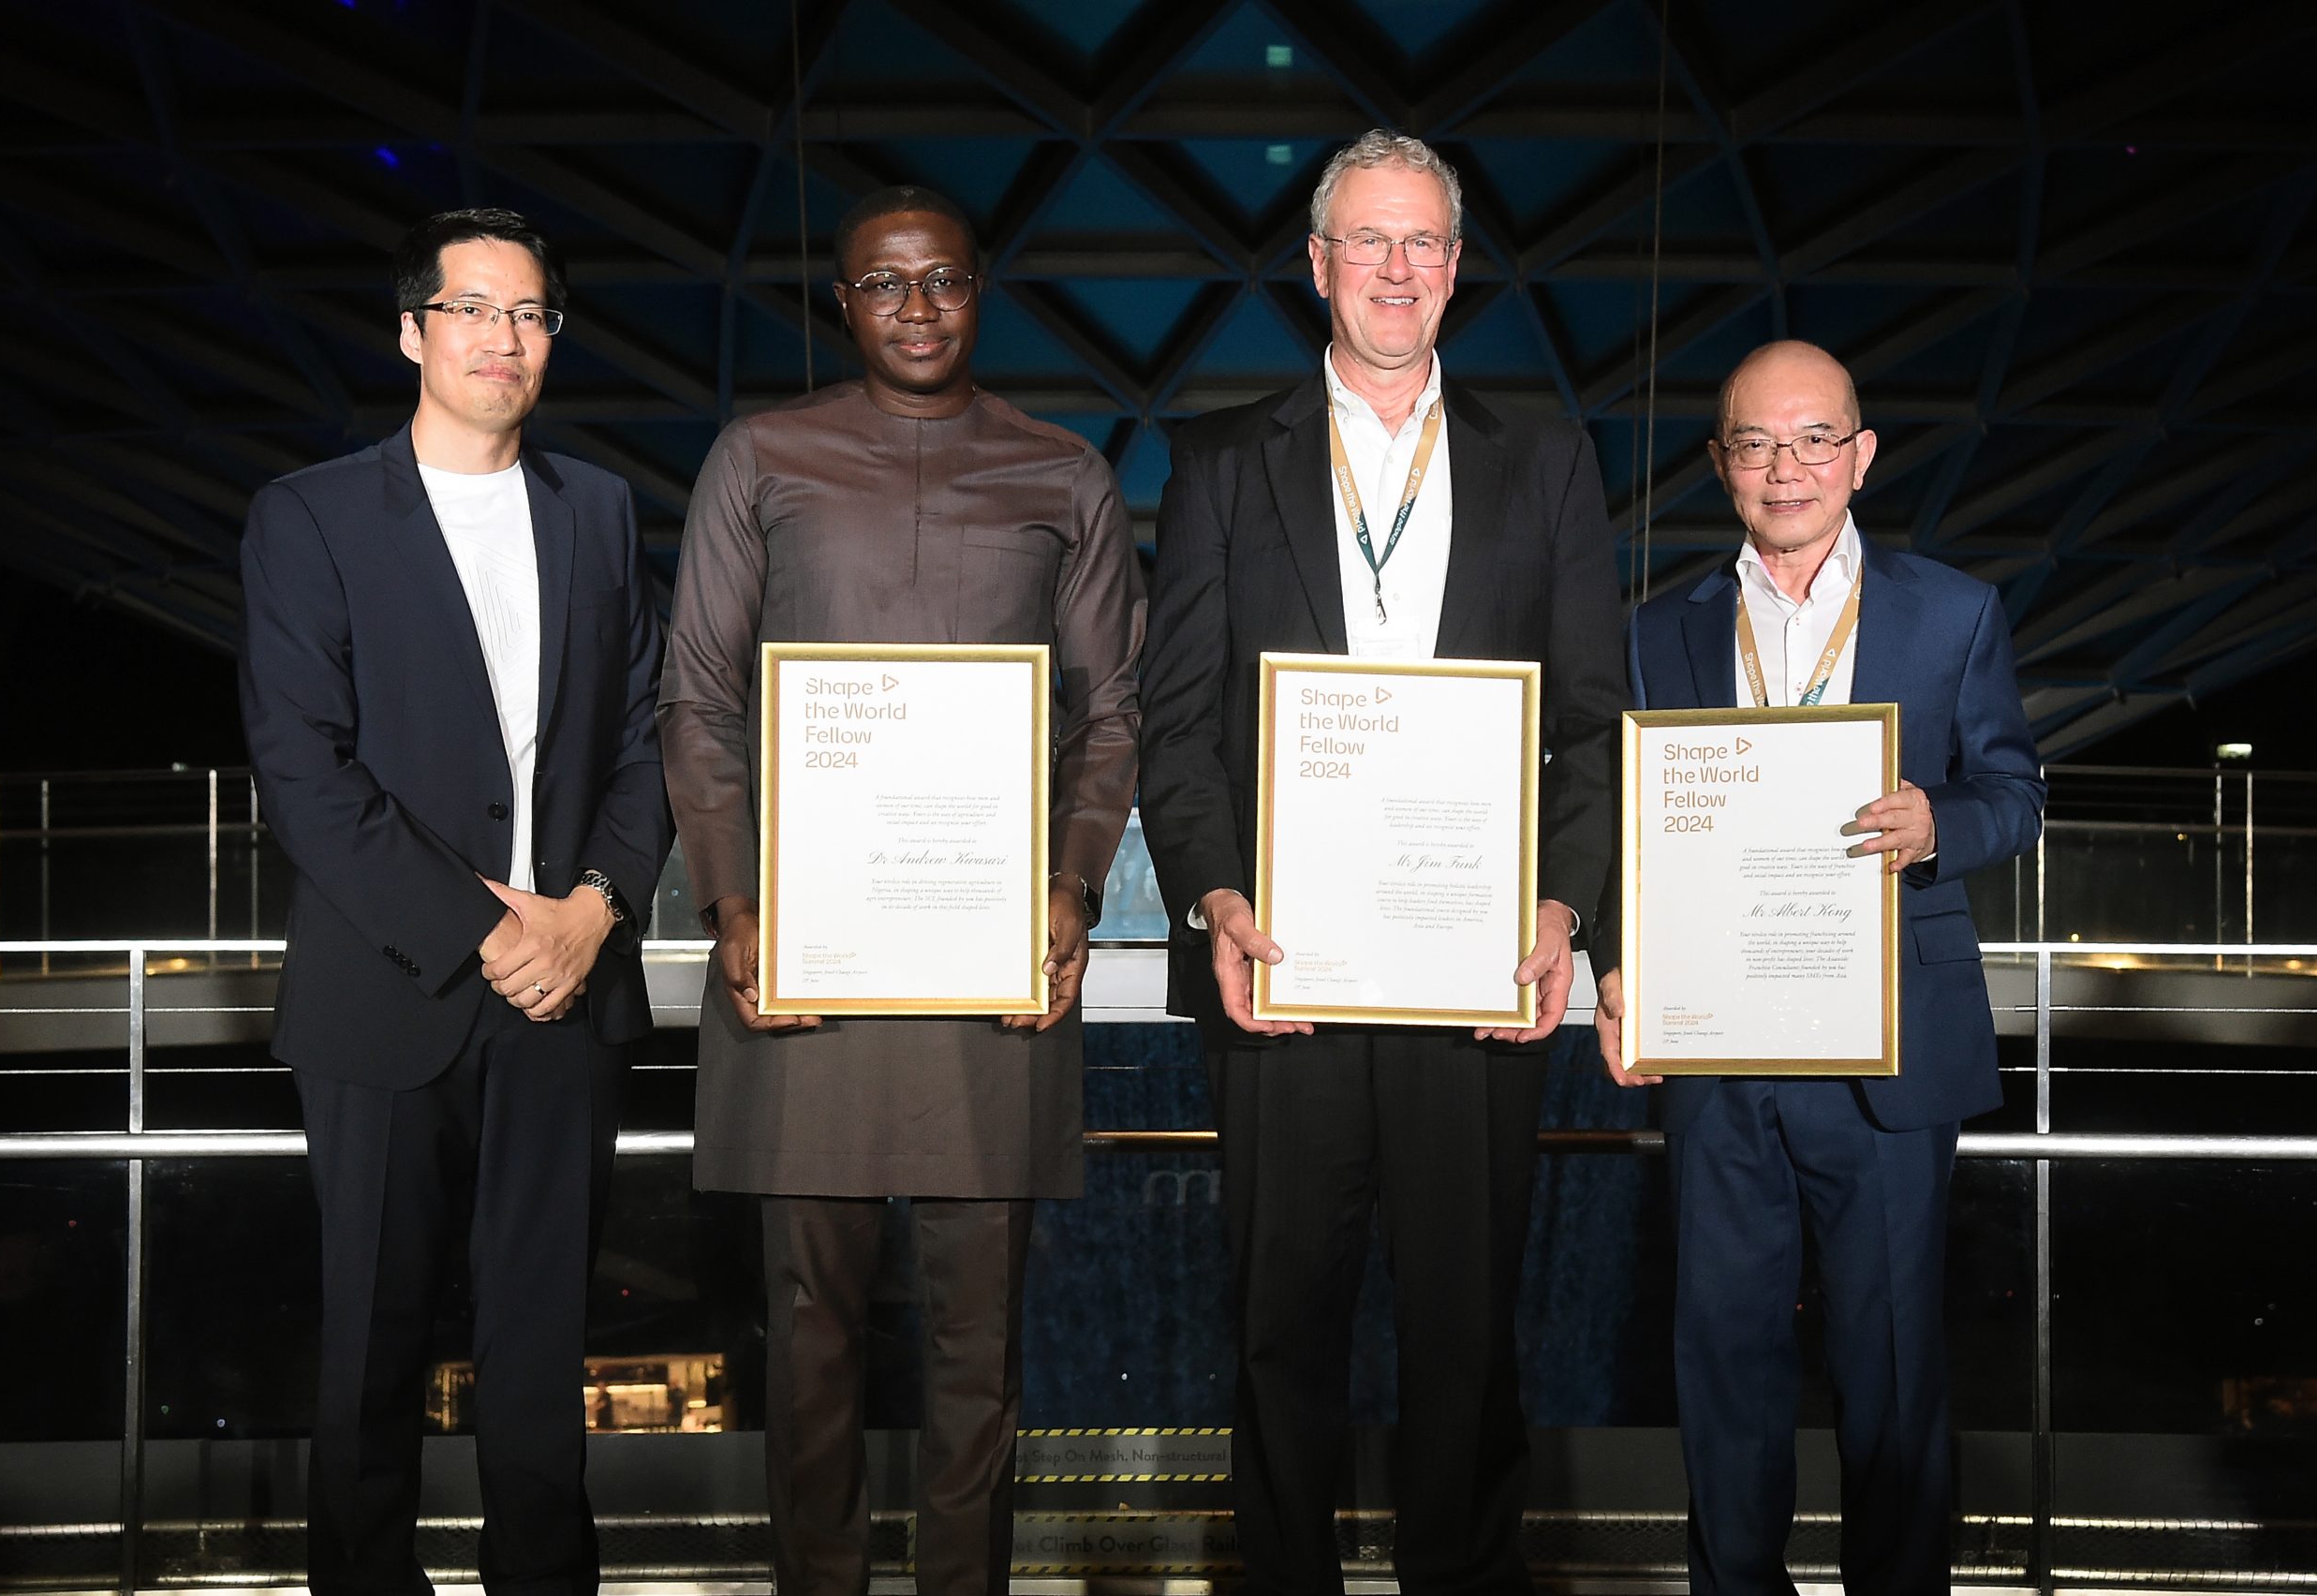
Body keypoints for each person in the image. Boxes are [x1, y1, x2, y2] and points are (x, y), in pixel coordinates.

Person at [1135, 130, 1624, 1596]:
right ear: (1319, 265)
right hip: (1283, 970)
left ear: (1456, 268)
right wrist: (1219, 898)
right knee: (1280, 1328)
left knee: (1468, 1335)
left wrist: (1561, 904)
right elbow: (1176, 726)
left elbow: (1595, 725)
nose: (1399, 269)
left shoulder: (1545, 460)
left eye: (1424, 243)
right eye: (1371, 241)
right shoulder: (1222, 461)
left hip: (1475, 971)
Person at [657, 185, 1144, 1596]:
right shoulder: (762, 459)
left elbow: (1111, 712)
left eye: (942, 280)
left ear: (981, 289)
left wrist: (1072, 884)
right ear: (844, 303)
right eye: (885, 284)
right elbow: (698, 699)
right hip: (802, 955)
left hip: (989, 970)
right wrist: (734, 904)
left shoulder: (1066, 476)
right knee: (806, 1340)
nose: (917, 307)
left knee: (979, 1353)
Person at [238, 205, 669, 1596]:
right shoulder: (308, 515)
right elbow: (305, 771)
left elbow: (648, 737)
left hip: (569, 991)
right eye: (472, 309)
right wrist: (499, 930)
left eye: (529, 314)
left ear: (551, 343)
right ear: (413, 329)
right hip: (392, 989)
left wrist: (595, 910)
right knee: (371, 1356)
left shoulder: (597, 510)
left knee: (544, 1363)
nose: (503, 337)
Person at [1591, 339, 2044, 1596]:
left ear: (1862, 456)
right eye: (1755, 443)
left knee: (1891, 1370)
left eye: (1813, 440)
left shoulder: (1952, 611)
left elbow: (2018, 793)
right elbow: (1632, 834)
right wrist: (1621, 975)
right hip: (1720, 1050)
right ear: (1721, 465)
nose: (1785, 467)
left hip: (1889, 1052)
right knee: (1722, 1363)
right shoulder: (1660, 632)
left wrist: (1939, 824)